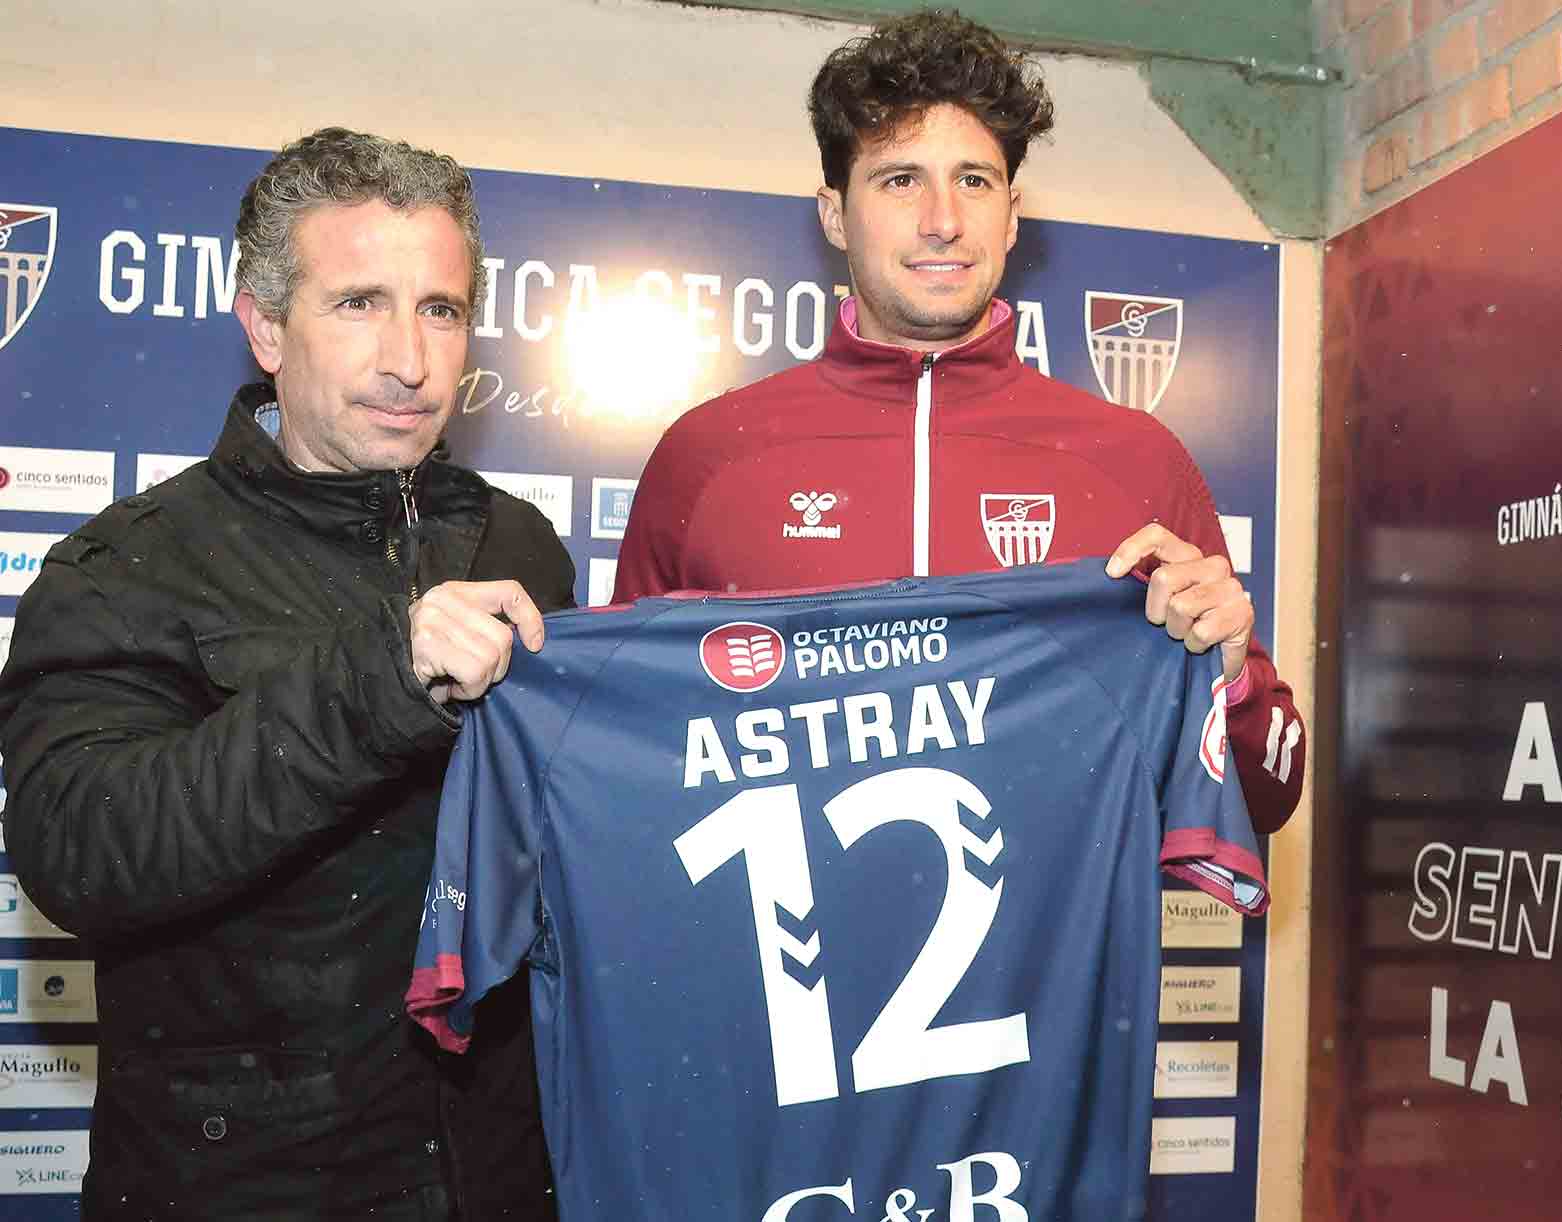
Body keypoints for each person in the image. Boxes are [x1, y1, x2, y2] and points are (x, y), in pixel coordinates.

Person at [0, 128, 571, 1220]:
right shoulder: (127, 567)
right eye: (359, 303)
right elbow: (80, 851)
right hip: (241, 1187)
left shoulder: (520, 546)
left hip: (496, 1177)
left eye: (440, 310)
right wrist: (385, 679)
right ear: (265, 326)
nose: (410, 358)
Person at [614, 8, 1305, 831]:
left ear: (1011, 215)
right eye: (900, 180)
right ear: (834, 215)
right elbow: (620, 757)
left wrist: (1232, 678)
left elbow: (1270, 795)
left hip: (1062, 921)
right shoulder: (706, 456)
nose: (942, 219)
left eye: (973, 181)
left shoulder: (1136, 460)